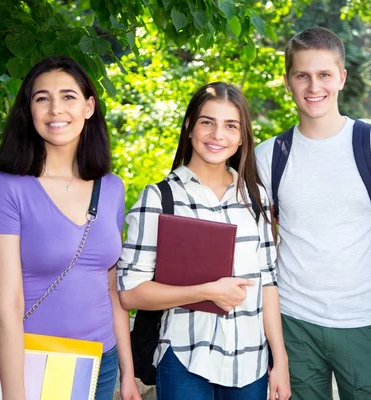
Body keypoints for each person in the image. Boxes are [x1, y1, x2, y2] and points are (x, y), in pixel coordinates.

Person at [255, 27, 371, 399]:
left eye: (324, 74)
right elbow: (260, 251)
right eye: (303, 75)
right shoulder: (269, 157)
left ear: (342, 77)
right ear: (288, 82)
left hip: (362, 324)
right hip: (293, 326)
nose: (314, 87)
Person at [117, 82, 291, 400]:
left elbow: (268, 284)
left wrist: (279, 360)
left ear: (242, 137)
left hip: (250, 363)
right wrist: (206, 292)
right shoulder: (159, 198)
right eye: (207, 122)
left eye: (230, 126)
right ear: (189, 127)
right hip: (184, 359)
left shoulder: (256, 198)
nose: (217, 135)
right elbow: (129, 294)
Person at [0, 56, 141, 400]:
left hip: (102, 362)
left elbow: (111, 289)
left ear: (88, 107)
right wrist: (14, 395)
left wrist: (127, 372)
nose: (56, 109)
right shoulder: (8, 187)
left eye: (68, 96)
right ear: (30, 110)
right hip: (33, 361)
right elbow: (8, 306)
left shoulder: (111, 187)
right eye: (42, 98)